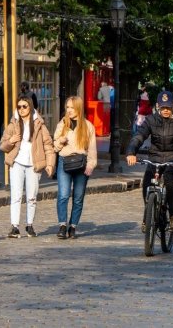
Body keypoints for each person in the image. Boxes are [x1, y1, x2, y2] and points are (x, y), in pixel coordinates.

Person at [126, 91, 173, 232]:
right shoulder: (151, 120)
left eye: (168, 107)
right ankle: (147, 216)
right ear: (158, 106)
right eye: (163, 107)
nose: (165, 110)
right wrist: (131, 152)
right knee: (147, 182)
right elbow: (139, 136)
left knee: (169, 179)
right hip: (155, 158)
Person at [0, 95, 56, 238]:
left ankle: (29, 225)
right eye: (19, 107)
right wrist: (11, 141)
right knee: (16, 196)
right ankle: (14, 226)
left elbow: (48, 145)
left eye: (24, 106)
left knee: (31, 196)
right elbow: (3, 145)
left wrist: (50, 164)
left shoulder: (39, 124)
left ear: (30, 107)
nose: (21, 109)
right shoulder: (13, 124)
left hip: (34, 164)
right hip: (17, 162)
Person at [53, 96, 97, 239]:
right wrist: (60, 140)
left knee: (78, 197)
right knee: (63, 195)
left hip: (81, 164)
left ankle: (73, 226)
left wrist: (91, 165)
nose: (69, 110)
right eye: (67, 107)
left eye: (72, 107)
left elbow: (92, 149)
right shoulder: (62, 124)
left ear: (78, 108)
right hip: (64, 162)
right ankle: (62, 225)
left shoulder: (88, 126)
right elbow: (55, 146)